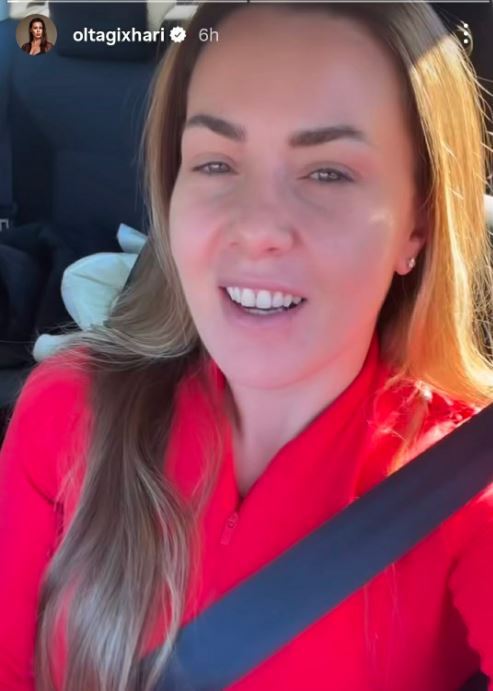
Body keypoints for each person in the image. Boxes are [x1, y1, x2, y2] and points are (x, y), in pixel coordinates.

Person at [1, 1, 493, 689]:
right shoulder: (69, 408)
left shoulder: (463, 482)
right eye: (214, 163)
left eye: (328, 172)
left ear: (418, 225)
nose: (256, 228)